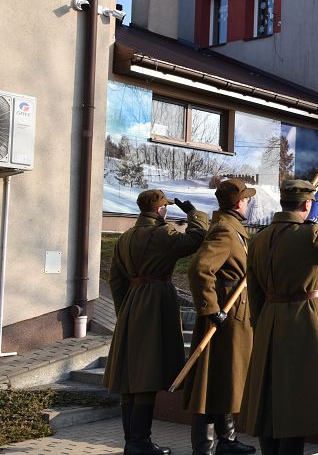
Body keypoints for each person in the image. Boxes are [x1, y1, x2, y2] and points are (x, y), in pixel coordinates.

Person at [241, 181, 318, 455]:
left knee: (270, 401)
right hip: (303, 323)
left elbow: (255, 290)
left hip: (270, 320)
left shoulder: (258, 239)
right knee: (296, 403)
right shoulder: (310, 235)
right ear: (307, 205)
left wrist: (261, 325)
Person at [104, 189, 209, 455]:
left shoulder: (125, 237)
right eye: (166, 209)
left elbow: (116, 280)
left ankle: (133, 441)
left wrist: (125, 310)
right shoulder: (163, 233)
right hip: (156, 302)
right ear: (161, 210)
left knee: (131, 376)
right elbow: (197, 238)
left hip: (131, 304)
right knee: (148, 374)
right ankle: (140, 442)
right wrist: (193, 214)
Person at [184, 179, 257, 455]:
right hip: (225, 314)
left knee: (226, 378)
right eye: (246, 199)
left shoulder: (232, 228)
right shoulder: (225, 231)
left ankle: (226, 440)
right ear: (238, 203)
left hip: (233, 312)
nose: (248, 202)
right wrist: (211, 309)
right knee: (210, 382)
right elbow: (199, 269)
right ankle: (205, 447)